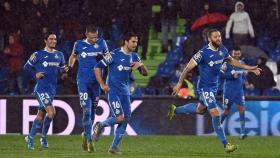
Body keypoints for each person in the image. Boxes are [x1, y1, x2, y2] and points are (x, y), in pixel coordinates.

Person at [167, 29, 261, 153]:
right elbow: (187, 68)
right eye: (216, 37)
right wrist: (179, 83)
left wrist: (250, 68)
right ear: (209, 39)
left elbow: (232, 61)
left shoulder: (223, 50)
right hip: (204, 87)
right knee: (215, 113)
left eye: (220, 36)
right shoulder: (202, 53)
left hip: (214, 87)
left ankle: (175, 110)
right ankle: (226, 144)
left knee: (200, 110)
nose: (219, 38)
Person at [93, 32, 148, 155]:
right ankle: (100, 125)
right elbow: (97, 67)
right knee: (119, 118)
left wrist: (141, 65)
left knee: (126, 118)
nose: (135, 44)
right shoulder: (114, 54)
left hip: (125, 91)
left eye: (136, 42)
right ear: (126, 41)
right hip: (113, 91)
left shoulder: (134, 56)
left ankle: (113, 147)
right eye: (133, 41)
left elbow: (145, 74)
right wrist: (102, 84)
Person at [68, 24, 109, 152]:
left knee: (92, 111)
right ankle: (90, 141)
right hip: (83, 82)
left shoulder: (102, 43)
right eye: (92, 38)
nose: (94, 40)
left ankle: (86, 134)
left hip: (96, 82)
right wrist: (70, 66)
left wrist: (103, 58)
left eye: (96, 37)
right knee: (86, 110)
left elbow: (109, 58)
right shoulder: (78, 44)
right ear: (86, 35)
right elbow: (73, 56)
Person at [24, 32, 67, 150]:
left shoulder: (60, 55)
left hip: (52, 89)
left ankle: (31, 137)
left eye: (55, 39)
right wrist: (35, 74)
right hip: (41, 88)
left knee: (41, 115)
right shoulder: (38, 54)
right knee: (51, 112)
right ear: (45, 40)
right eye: (51, 39)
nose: (53, 41)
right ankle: (42, 138)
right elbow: (26, 67)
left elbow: (63, 73)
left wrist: (64, 75)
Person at [220, 46, 246, 139]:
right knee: (226, 112)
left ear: (240, 53)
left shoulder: (242, 63)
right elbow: (221, 75)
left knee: (242, 109)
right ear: (232, 53)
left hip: (239, 91)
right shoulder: (226, 63)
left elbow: (242, 76)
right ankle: (218, 125)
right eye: (235, 53)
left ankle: (242, 133)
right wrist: (231, 75)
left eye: (238, 53)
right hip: (229, 91)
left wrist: (245, 82)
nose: (237, 55)